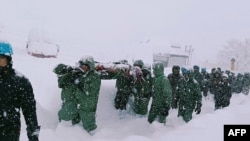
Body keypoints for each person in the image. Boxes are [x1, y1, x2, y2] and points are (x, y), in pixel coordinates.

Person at [0, 41, 40, 141]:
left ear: (8, 59)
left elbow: (29, 111)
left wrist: (33, 135)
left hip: (9, 131)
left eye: (1, 58)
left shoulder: (20, 81)